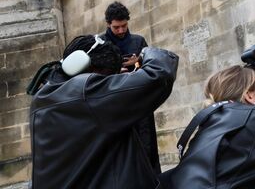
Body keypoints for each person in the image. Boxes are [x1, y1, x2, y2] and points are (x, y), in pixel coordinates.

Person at [27, 35, 179, 189]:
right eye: (106, 77)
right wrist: (143, 52)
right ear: (86, 66)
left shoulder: (43, 97)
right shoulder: (87, 94)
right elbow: (160, 73)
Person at [98, 1, 162, 175]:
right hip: (113, 106)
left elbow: (153, 69)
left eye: (124, 26)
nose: (121, 30)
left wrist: (138, 63)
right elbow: (92, 75)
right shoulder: (99, 43)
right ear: (108, 24)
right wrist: (115, 70)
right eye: (116, 27)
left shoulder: (138, 41)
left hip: (139, 103)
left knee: (146, 145)